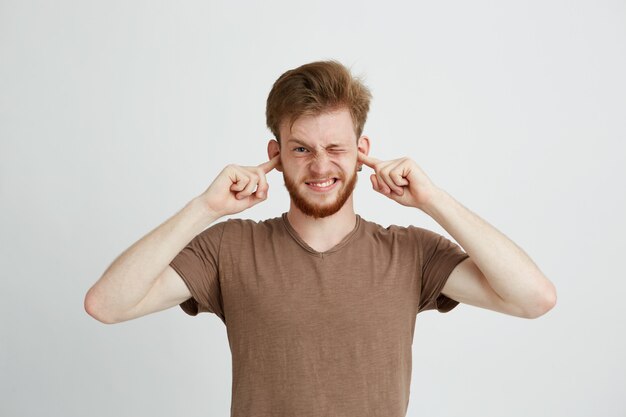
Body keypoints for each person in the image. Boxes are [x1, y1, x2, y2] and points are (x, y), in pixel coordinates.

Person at [85, 60, 557, 417]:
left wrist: (433, 201)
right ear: (275, 155)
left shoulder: (410, 252)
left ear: (362, 152)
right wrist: (205, 209)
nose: (320, 166)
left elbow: (533, 299)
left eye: (336, 148)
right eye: (301, 149)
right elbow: (106, 305)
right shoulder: (229, 248)